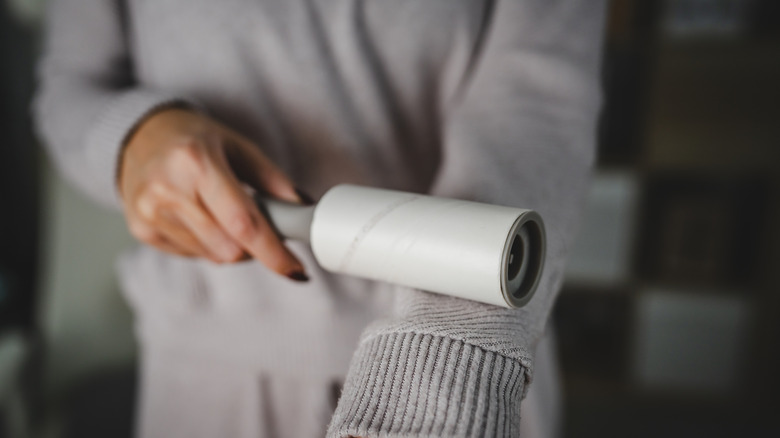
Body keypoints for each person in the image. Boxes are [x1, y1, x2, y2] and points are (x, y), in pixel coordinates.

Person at [33, 0, 606, 437]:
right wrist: (133, 139)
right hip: (207, 385)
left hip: (461, 368)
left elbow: (539, 102)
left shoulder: (454, 366)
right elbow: (69, 88)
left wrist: (442, 364)